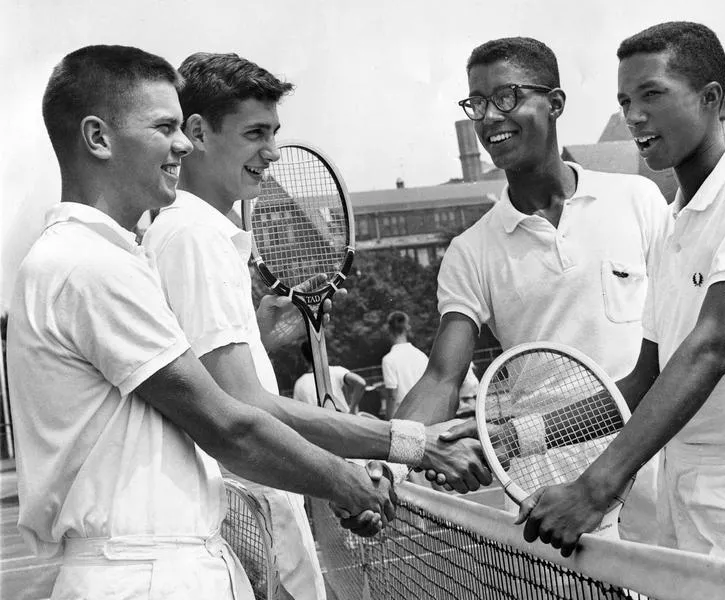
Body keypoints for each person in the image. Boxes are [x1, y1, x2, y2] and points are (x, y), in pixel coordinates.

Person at [6, 45, 397, 600]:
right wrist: (356, 477)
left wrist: (256, 340)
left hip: (160, 562)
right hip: (146, 573)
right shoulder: (90, 265)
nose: (183, 144)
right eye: (165, 127)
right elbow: (227, 423)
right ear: (99, 138)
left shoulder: (101, 257)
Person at [141, 52, 491, 599]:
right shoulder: (194, 236)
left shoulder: (190, 233)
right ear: (198, 132)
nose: (272, 152)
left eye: (276, 133)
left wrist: (264, 337)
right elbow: (245, 409)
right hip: (243, 532)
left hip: (248, 523)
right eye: (256, 133)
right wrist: (410, 444)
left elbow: (212, 385)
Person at [519, 22, 725, 568]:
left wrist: (596, 487)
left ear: (711, 98)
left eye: (652, 94)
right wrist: (515, 437)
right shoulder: (670, 227)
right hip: (677, 490)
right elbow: (641, 382)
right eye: (625, 100)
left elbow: (712, 346)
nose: (633, 116)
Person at [394, 37, 668, 544]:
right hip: (552, 498)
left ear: (556, 103)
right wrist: (393, 456)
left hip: (658, 475)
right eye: (476, 103)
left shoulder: (638, 198)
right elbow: (441, 377)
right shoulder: (469, 251)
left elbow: (673, 353)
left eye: (507, 97)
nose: (489, 117)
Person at [293, 341, 367, 413]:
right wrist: (353, 408)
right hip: (344, 421)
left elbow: (297, 412)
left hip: (318, 424)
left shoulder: (299, 384)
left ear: (303, 358)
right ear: (322, 351)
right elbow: (360, 382)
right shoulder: (336, 371)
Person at [381, 311, 428, 419]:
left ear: (389, 330)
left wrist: (388, 420)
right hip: (423, 413)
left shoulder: (389, 359)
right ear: (407, 329)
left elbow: (392, 395)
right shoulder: (422, 356)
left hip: (402, 416)